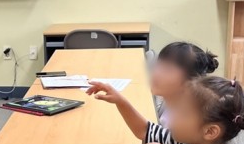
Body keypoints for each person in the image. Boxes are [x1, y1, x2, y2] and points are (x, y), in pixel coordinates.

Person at [85, 40, 218, 133]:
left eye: (167, 70)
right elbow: (147, 132)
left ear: (191, 81)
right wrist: (120, 101)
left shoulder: (184, 120)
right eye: (158, 65)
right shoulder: (173, 108)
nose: (156, 73)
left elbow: (156, 142)